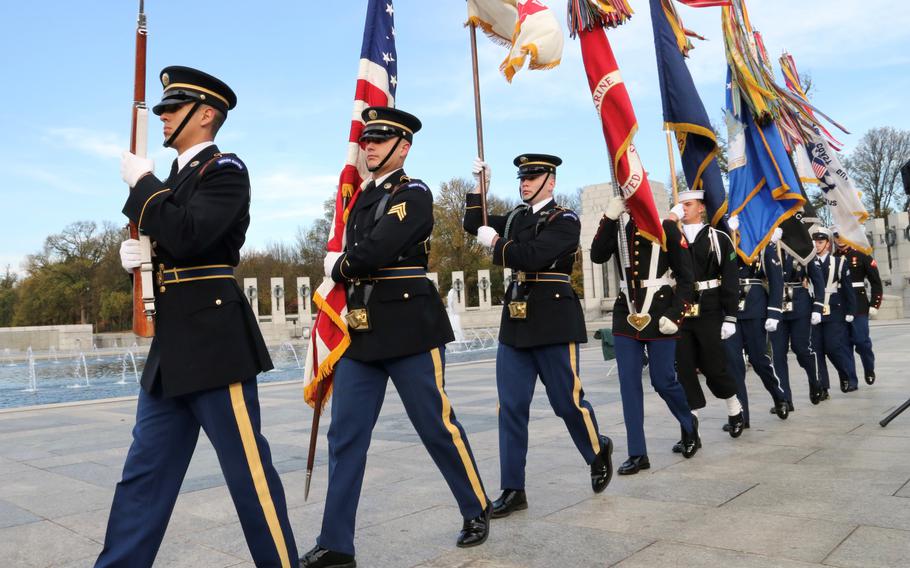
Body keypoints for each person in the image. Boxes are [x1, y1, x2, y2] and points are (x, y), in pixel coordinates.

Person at [102, 66, 297, 568]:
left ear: (206, 114)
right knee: (143, 478)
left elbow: (191, 235)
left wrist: (143, 184)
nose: (163, 116)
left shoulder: (225, 170)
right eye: (162, 108)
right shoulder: (171, 183)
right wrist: (137, 264)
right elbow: (168, 254)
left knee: (248, 477)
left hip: (215, 344)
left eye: (173, 108)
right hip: (172, 349)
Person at [301, 107, 491, 568]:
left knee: (434, 425)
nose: (368, 146)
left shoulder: (415, 193)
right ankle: (337, 543)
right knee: (345, 436)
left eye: (379, 139)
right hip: (361, 330)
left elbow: (378, 249)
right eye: (366, 139)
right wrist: (346, 265)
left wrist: (340, 266)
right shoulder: (357, 200)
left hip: (409, 326)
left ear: (402, 147)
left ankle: (475, 506)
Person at [463, 154, 613, 518]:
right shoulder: (517, 217)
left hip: (553, 318)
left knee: (566, 401)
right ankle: (513, 489)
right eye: (522, 177)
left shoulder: (565, 219)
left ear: (551, 181)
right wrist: (480, 188)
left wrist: (496, 243)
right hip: (516, 321)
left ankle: (597, 449)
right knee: (511, 407)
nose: (525, 182)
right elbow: (472, 222)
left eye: (533, 176)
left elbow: (531, 257)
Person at [590, 193, 699, 475]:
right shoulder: (618, 227)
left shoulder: (667, 230)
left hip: (660, 313)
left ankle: (688, 424)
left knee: (663, 381)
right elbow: (597, 255)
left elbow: (687, 279)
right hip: (626, 314)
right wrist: (610, 216)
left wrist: (676, 316)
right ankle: (638, 453)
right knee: (628, 383)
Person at [667, 191, 746, 447]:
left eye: (688, 204)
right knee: (685, 369)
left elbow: (731, 278)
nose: (683, 209)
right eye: (679, 205)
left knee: (714, 367)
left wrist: (730, 316)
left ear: (701, 208)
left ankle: (734, 407)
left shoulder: (718, 238)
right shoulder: (672, 238)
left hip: (710, 308)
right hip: (681, 309)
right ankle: (691, 431)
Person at [723, 222, 790, 427]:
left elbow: (776, 280)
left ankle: (779, 395)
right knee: (734, 366)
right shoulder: (725, 244)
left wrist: (774, 312)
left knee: (760, 361)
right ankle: (742, 416)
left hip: (755, 310)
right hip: (730, 313)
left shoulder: (762, 247)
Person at [769, 247, 825, 406]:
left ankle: (815, 380)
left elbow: (818, 279)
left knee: (801, 349)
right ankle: (784, 399)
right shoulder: (769, 248)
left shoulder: (803, 247)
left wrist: (818, 307)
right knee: (778, 353)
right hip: (776, 305)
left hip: (800, 304)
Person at [810, 227, 859, 395]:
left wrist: (851, 311)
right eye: (815, 242)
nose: (816, 245)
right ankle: (823, 387)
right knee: (817, 350)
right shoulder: (807, 262)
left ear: (828, 244)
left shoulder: (839, 262)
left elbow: (848, 288)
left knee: (832, 347)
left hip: (834, 310)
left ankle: (846, 375)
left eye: (820, 242)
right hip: (813, 310)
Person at [835, 235, 883, 385]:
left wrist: (875, 304)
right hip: (839, 305)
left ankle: (868, 368)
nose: (840, 240)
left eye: (843, 235)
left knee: (861, 341)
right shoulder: (832, 257)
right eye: (837, 237)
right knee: (844, 345)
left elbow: (876, 282)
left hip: (859, 305)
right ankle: (851, 381)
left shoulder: (861, 255)